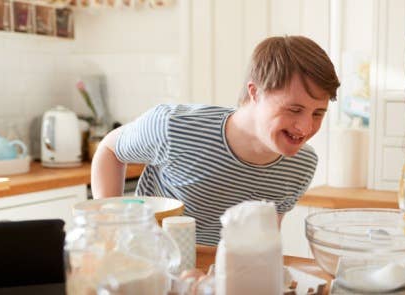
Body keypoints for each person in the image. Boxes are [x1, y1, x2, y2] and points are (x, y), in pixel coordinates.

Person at [91, 35, 340, 246]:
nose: (306, 127)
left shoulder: (301, 164)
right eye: (294, 110)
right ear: (255, 93)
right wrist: (110, 231)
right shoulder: (174, 127)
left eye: (318, 113)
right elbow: (110, 149)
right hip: (152, 268)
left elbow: (264, 241)